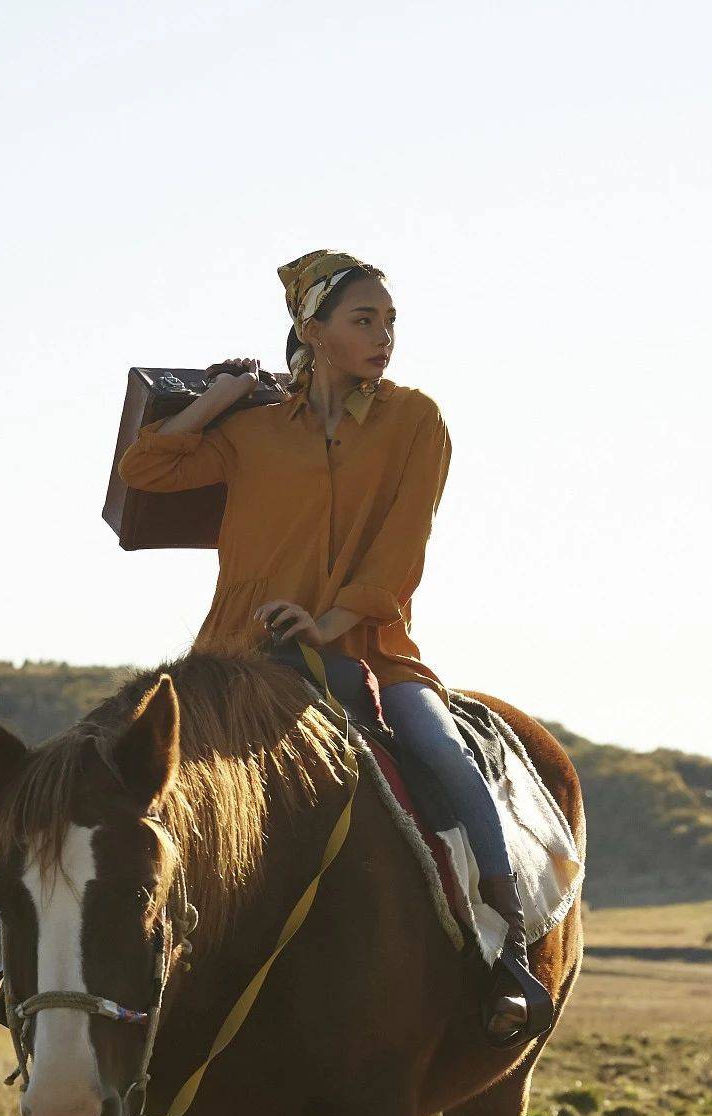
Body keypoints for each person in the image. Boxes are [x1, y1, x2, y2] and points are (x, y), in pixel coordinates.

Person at [115, 249, 550, 1048]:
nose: (385, 336)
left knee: (440, 748)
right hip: (235, 659)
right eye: (364, 320)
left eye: (390, 321)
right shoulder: (247, 430)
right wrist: (217, 401)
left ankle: (509, 952)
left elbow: (401, 548)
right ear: (312, 332)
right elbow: (146, 468)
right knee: (134, 776)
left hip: (370, 645)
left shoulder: (415, 421)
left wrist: (331, 619)